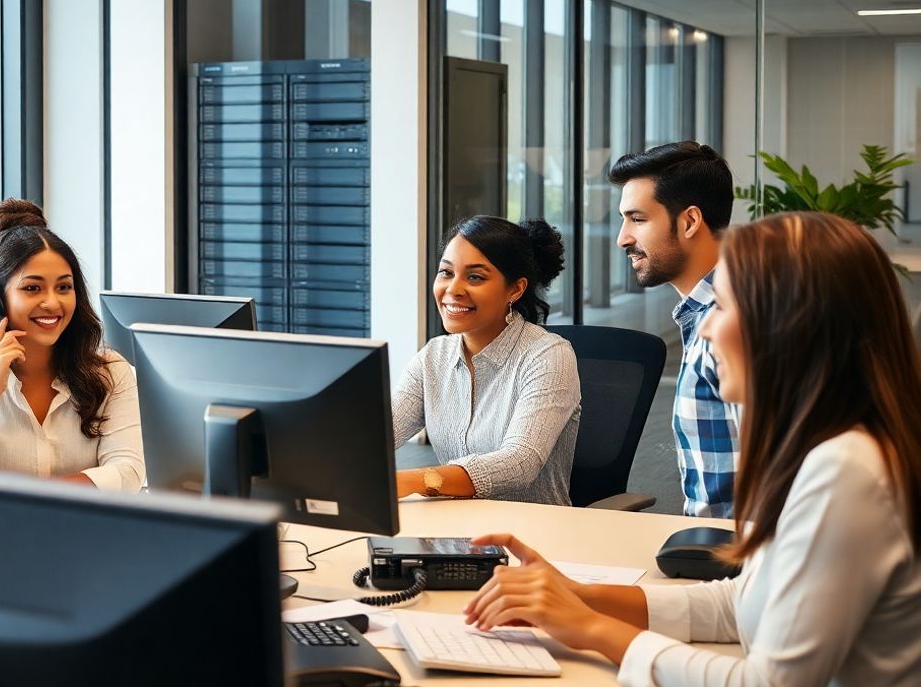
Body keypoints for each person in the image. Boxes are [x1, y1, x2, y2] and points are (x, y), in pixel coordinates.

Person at [464, 212, 921, 685]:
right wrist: (578, 594)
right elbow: (739, 605)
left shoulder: (846, 470)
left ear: (786, 324)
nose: (704, 331)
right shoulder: (821, 449)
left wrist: (589, 629)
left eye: (721, 307)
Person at [0, 199, 144, 492]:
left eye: (64, 287)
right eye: (32, 288)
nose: (52, 302)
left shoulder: (111, 374)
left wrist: (34, 502)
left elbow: (127, 473)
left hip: (85, 535)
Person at [392, 215, 580, 506]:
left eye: (475, 277)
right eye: (446, 273)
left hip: (532, 536)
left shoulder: (549, 355)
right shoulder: (433, 356)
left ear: (515, 289)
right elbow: (380, 433)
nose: (453, 289)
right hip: (454, 531)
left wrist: (413, 481)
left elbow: (519, 463)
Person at [609, 141, 738, 518]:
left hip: (735, 562)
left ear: (690, 221)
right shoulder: (702, 314)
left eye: (638, 219)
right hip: (710, 555)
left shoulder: (736, 325)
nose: (623, 238)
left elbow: (776, 484)